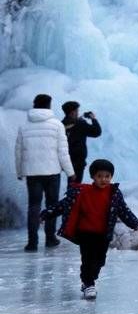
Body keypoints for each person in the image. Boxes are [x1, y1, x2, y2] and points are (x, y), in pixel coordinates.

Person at [40, 159, 138, 300]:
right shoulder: (82, 191)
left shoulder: (114, 193)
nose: (103, 179)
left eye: (107, 176)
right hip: (85, 233)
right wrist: (46, 214)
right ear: (93, 177)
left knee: (99, 260)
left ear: (111, 177)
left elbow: (123, 210)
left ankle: (88, 280)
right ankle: (88, 283)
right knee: (88, 259)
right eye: (99, 176)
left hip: (103, 234)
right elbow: (63, 205)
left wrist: (134, 223)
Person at [15, 94, 76, 252]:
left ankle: (32, 242)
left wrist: (20, 171)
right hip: (52, 172)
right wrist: (70, 172)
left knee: (34, 206)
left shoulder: (24, 126)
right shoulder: (57, 125)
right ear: (49, 106)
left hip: (32, 173)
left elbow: (18, 151)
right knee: (52, 205)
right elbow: (63, 151)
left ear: (35, 105)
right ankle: (50, 238)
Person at [61, 101, 102, 184]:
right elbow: (97, 132)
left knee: (71, 183)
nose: (77, 112)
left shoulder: (61, 125)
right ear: (72, 112)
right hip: (78, 161)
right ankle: (72, 196)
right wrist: (93, 118)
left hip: (66, 160)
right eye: (76, 111)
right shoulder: (80, 124)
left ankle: (70, 195)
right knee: (75, 185)